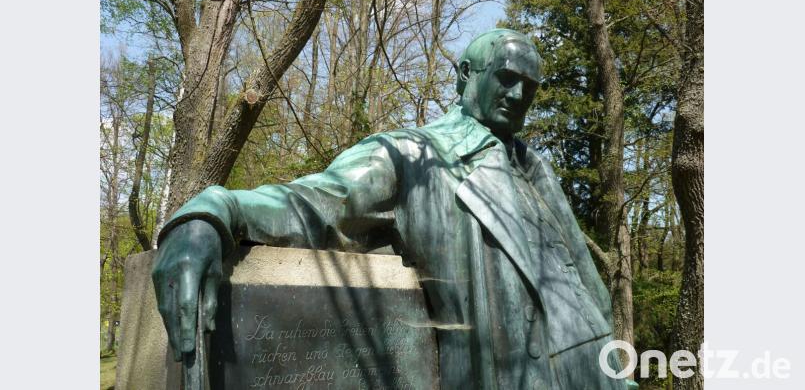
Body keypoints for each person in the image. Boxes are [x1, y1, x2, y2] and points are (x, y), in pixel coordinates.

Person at [152, 29, 631, 389]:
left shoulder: (538, 171)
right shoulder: (413, 156)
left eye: (529, 87)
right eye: (506, 78)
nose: (518, 95)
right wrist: (210, 213)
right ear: (466, 76)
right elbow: (315, 201)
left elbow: (587, 298)